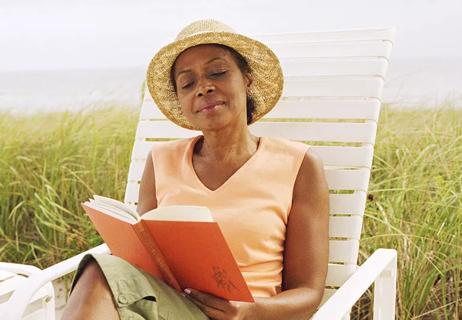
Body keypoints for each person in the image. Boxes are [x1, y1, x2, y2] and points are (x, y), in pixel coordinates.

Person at [62, 19, 329, 320]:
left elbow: (308, 293)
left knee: (100, 272)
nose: (204, 88)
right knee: (99, 272)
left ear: (248, 80)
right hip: (168, 310)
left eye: (217, 72)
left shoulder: (298, 164)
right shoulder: (161, 160)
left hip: (247, 316)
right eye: (188, 83)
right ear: (182, 100)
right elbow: (140, 261)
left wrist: (249, 311)